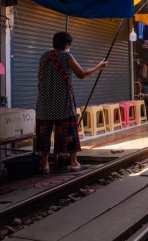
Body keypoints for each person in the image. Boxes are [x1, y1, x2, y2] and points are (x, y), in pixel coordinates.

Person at [36, 32, 107, 174]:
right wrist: (99, 67)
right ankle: (74, 163)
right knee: (69, 132)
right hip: (63, 101)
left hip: (44, 102)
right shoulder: (67, 56)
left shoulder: (44, 57)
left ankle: (45, 165)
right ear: (67, 45)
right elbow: (81, 74)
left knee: (44, 134)